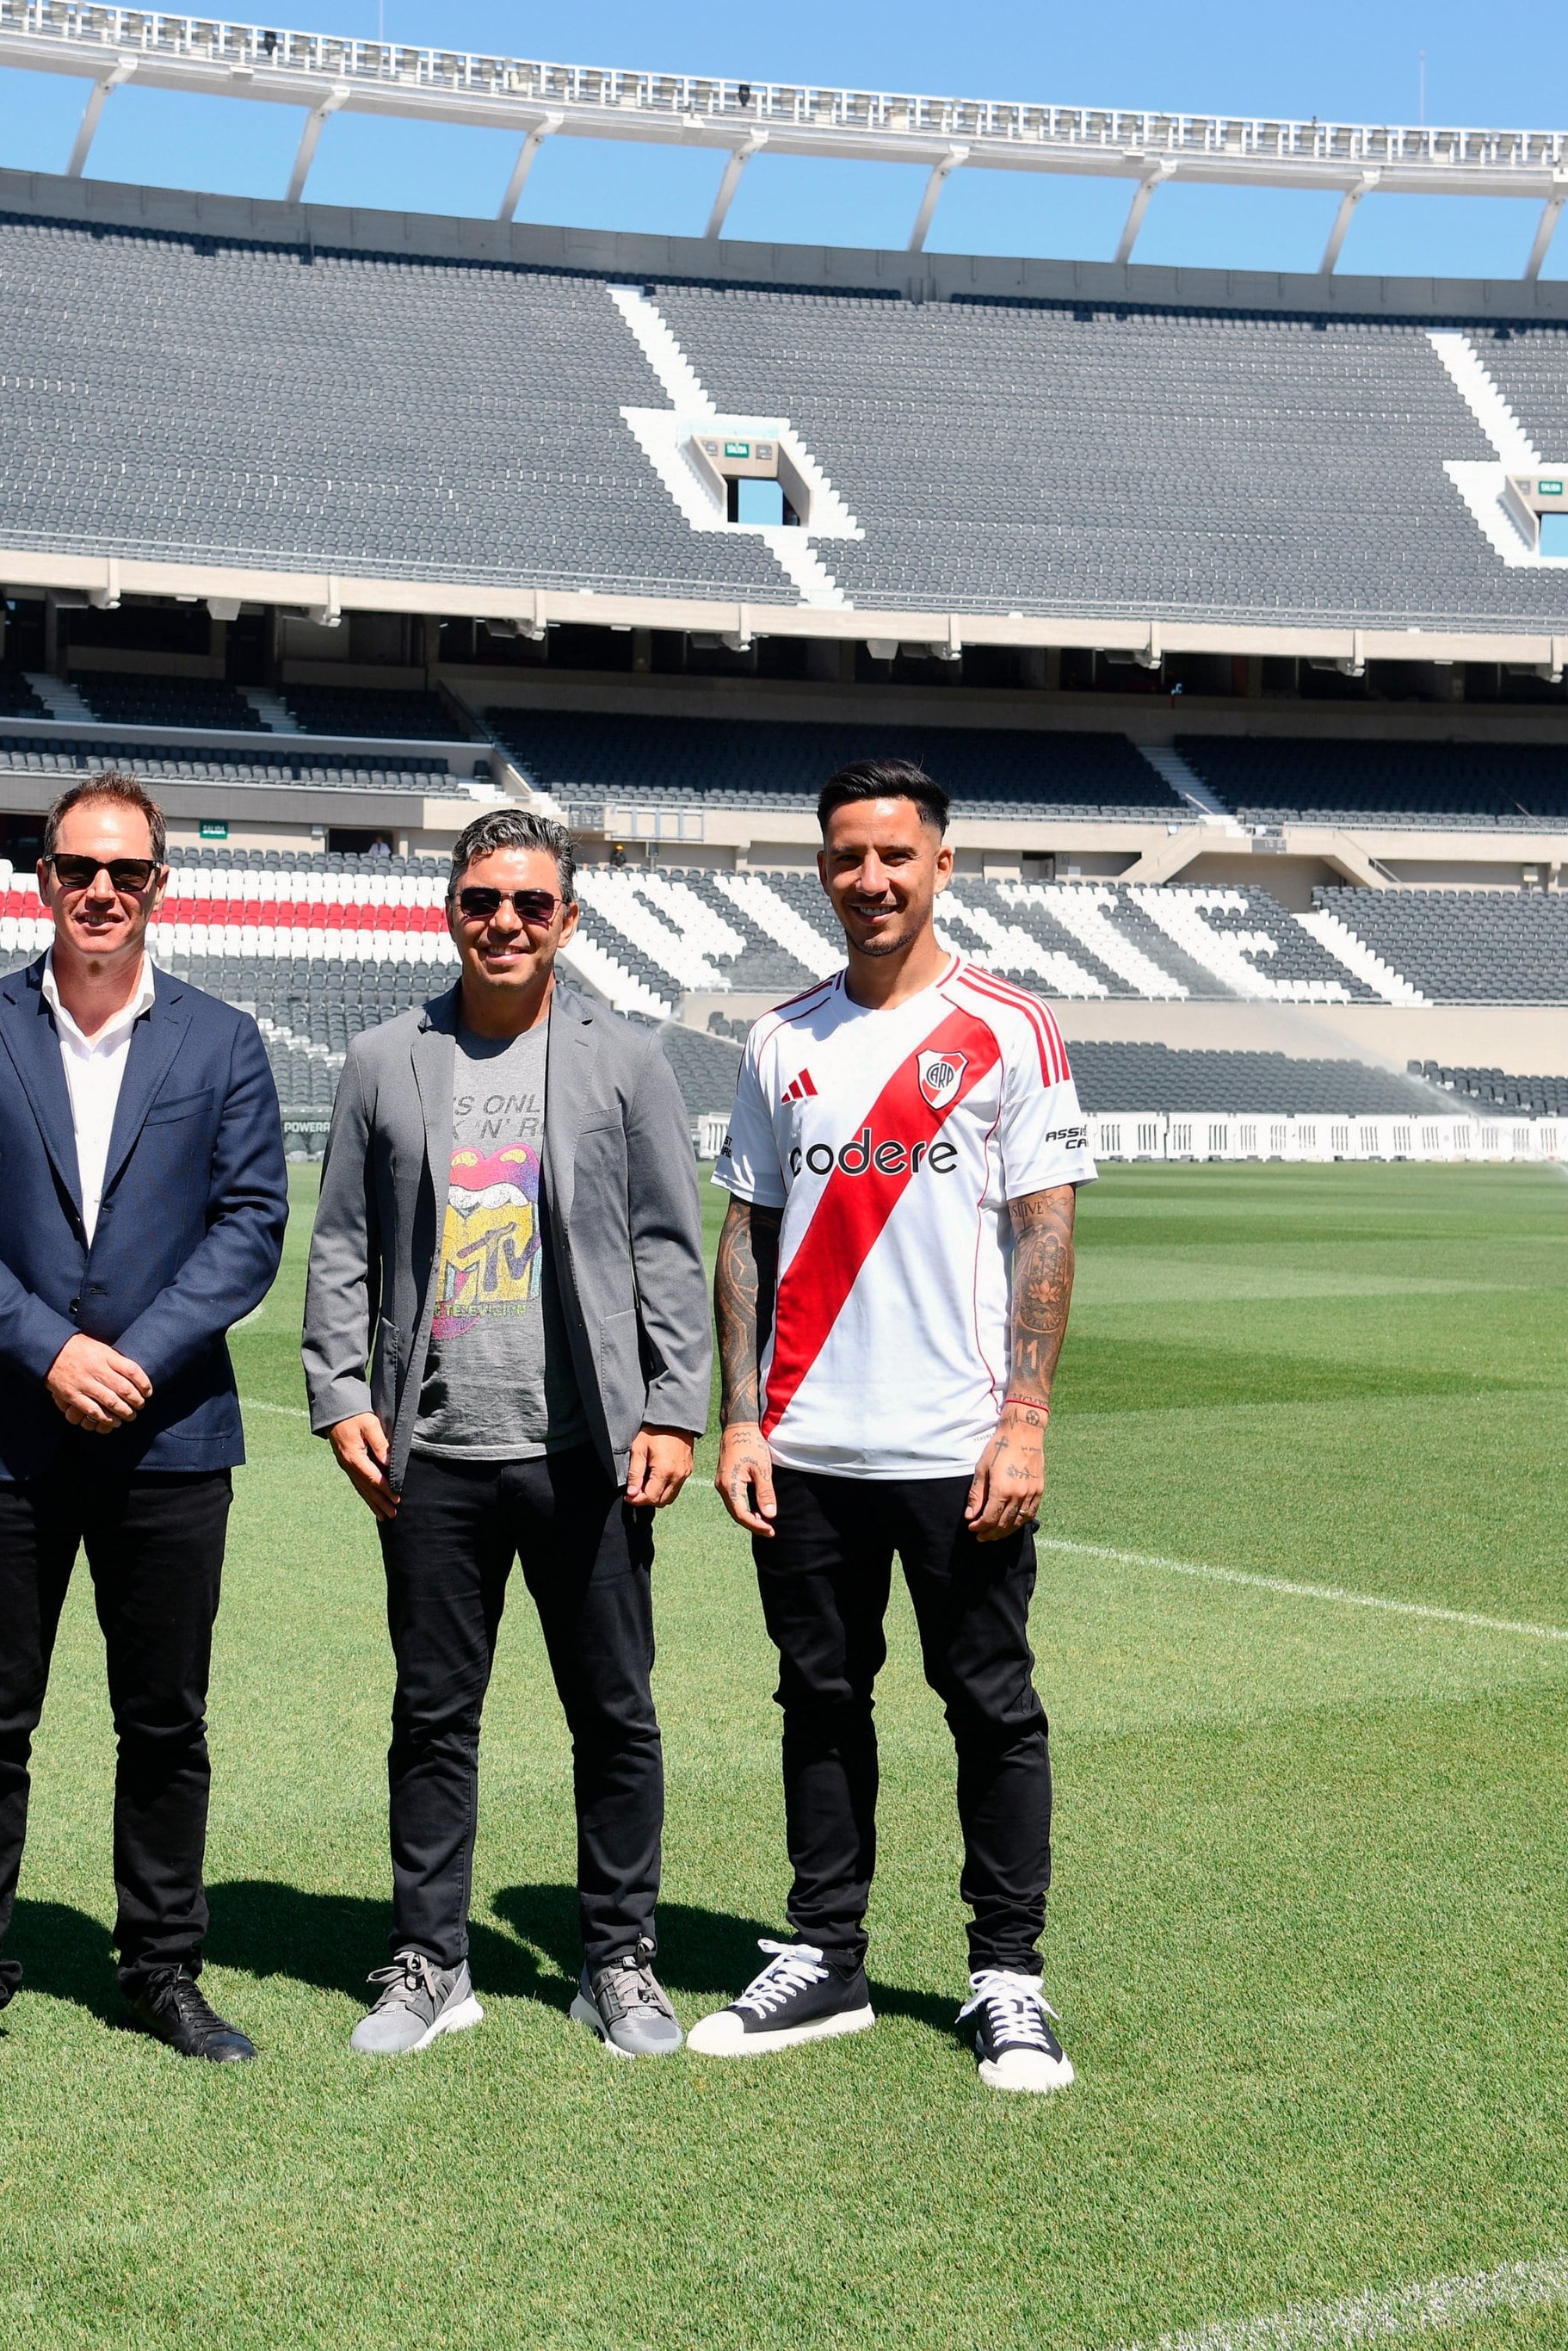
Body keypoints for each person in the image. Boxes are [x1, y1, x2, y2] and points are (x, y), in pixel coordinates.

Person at [696, 758, 1094, 2093]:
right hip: (806, 1448)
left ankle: (1008, 1977)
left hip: (955, 1446)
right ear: (823, 869)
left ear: (941, 865)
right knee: (818, 1698)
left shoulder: (1008, 1027)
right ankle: (828, 1954)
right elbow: (744, 1234)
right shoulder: (780, 1039)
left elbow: (1047, 1228)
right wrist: (740, 1418)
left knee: (989, 1705)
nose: (871, 879)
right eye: (846, 856)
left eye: (895, 856)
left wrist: (1025, 1416)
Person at [0, 773, 289, 2085]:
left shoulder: (223, 1043)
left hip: (169, 1436)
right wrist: (50, 1350)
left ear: (160, 884)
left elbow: (249, 1229)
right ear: (43, 877)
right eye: (77, 868)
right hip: (2, 1433)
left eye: (127, 872)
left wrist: (132, 1359)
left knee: (165, 1718)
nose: (101, 892)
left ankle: (163, 1970)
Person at [303, 808, 710, 2061]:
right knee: (434, 1716)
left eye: (533, 904)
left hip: (587, 1446)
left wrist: (676, 1405)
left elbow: (663, 1243)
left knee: (615, 1714)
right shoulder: (385, 1058)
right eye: (484, 900)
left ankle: (619, 1959)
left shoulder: (626, 1061)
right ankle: (432, 1960)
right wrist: (341, 1394)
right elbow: (342, 1247)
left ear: (568, 921)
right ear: (450, 911)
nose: (507, 924)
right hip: (432, 1453)